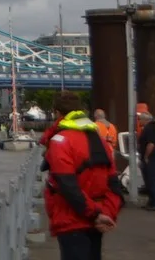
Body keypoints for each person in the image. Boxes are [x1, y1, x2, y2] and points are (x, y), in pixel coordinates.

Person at [44, 92, 123, 260]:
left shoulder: (60, 140)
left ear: (57, 113)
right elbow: (114, 184)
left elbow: (67, 185)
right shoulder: (99, 140)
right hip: (98, 219)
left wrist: (94, 214)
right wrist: (106, 213)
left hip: (71, 219)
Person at [137, 110, 155, 211]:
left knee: (152, 181)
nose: (138, 121)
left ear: (145, 120)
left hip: (153, 159)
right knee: (151, 181)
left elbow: (151, 144)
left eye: (139, 119)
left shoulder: (150, 128)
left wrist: (146, 157)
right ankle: (152, 202)